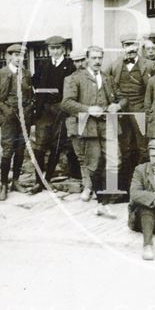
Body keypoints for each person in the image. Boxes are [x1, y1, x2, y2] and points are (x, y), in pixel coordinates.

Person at [61, 46, 126, 218]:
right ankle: (102, 202)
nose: (97, 61)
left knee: (115, 160)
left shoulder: (108, 79)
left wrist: (118, 105)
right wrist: (88, 109)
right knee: (94, 164)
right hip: (88, 127)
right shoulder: (74, 78)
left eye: (100, 58)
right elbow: (66, 103)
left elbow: (122, 97)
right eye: (94, 58)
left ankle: (106, 197)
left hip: (108, 126)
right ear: (87, 59)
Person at [106, 34, 155, 197]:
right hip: (122, 111)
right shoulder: (114, 66)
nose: (130, 48)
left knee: (143, 147)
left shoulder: (149, 65)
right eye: (127, 45)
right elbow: (104, 81)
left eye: (133, 45)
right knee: (125, 147)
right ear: (122, 47)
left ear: (138, 46)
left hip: (141, 109)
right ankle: (127, 187)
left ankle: (146, 185)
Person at [0, 44, 34, 201]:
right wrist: (5, 109)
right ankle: (3, 185)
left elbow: (30, 94)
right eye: (16, 55)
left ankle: (16, 181)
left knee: (21, 150)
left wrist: (30, 108)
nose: (19, 59)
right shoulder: (0, 74)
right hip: (8, 118)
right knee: (8, 150)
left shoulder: (26, 73)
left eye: (22, 56)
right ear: (10, 57)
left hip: (24, 117)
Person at [30, 36, 78, 193]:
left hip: (61, 110)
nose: (55, 51)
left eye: (58, 48)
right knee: (40, 145)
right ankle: (38, 181)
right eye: (52, 48)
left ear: (63, 49)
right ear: (48, 50)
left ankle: (47, 178)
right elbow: (35, 83)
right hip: (44, 109)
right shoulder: (43, 65)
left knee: (57, 144)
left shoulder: (70, 65)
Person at [62, 49, 94, 201]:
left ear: (87, 59)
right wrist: (88, 109)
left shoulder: (97, 76)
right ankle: (88, 187)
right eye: (76, 61)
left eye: (82, 60)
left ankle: (96, 186)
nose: (80, 64)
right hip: (77, 123)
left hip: (96, 123)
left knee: (96, 157)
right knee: (82, 157)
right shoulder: (70, 79)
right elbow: (67, 103)